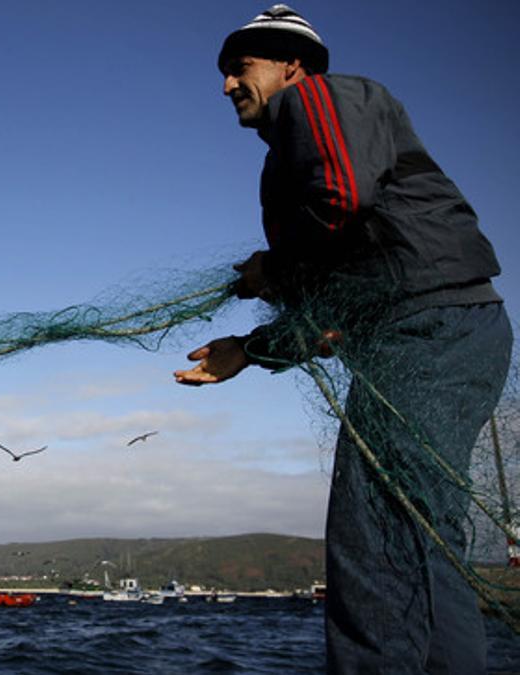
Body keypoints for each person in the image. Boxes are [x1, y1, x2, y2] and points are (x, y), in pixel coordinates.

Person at [174, 5, 512, 673]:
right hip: (435, 333)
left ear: (291, 65)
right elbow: (331, 312)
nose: (225, 86)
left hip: (428, 330)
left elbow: (342, 196)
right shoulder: (283, 171)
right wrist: (252, 349)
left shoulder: (324, 97)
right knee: (420, 537)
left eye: (239, 68)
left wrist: (275, 267)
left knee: (377, 537)